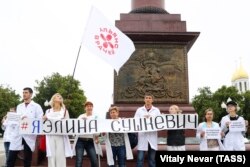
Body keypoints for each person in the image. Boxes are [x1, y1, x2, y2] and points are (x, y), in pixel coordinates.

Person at [7, 87, 43, 167]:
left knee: (27, 158)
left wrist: (29, 119)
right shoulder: (19, 106)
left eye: (26, 92)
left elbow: (40, 120)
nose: (24, 94)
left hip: (29, 134)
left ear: (30, 94)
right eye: (23, 92)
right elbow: (16, 118)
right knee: (11, 156)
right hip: (18, 133)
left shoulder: (36, 106)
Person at [42, 93, 73, 167]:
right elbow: (44, 124)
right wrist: (44, 118)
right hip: (50, 136)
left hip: (61, 136)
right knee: (51, 155)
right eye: (57, 96)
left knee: (60, 155)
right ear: (53, 99)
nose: (59, 97)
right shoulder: (48, 111)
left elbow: (68, 124)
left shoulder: (65, 111)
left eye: (60, 97)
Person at [134, 94, 160, 167]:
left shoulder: (156, 110)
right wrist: (143, 119)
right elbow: (135, 122)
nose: (148, 99)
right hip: (142, 137)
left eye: (149, 98)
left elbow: (160, 122)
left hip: (152, 137)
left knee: (152, 160)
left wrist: (151, 118)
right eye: (146, 98)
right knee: (140, 159)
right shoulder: (139, 110)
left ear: (152, 100)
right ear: (144, 99)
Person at [73, 101, 102, 167]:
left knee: (94, 161)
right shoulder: (81, 116)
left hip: (90, 141)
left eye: (91, 106)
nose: (89, 107)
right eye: (87, 106)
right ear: (85, 108)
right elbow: (75, 126)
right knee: (79, 161)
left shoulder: (96, 117)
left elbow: (98, 129)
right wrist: (81, 121)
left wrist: (97, 138)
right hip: (80, 140)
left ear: (92, 108)